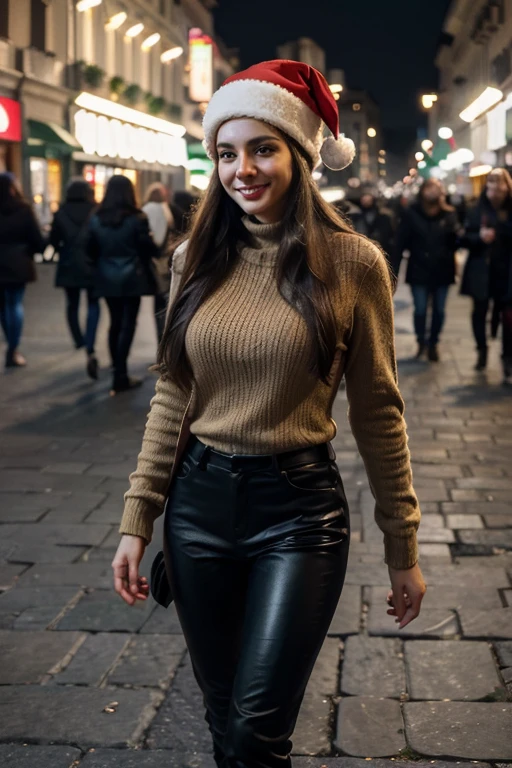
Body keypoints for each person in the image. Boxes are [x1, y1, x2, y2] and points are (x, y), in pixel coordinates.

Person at [112, 61, 426, 768]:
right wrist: (139, 519)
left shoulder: (353, 264)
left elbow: (378, 411)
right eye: (227, 152)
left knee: (257, 732)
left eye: (263, 148)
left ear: (300, 155)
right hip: (196, 510)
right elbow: (173, 392)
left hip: (298, 512)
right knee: (224, 723)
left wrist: (402, 544)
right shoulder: (194, 256)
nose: (242, 169)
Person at [86, 175, 158, 395]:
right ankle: (121, 375)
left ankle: (117, 370)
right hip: (132, 276)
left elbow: (90, 248)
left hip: (107, 276)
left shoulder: (96, 218)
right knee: (129, 323)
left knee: (115, 322)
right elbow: (147, 248)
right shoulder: (137, 218)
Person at [393, 178, 459, 362]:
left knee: (439, 310)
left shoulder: (449, 214)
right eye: (429, 187)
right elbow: (400, 244)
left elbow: (456, 243)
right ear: (422, 191)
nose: (432, 191)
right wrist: (394, 272)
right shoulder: (410, 213)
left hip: (443, 270)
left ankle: (433, 343)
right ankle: (421, 341)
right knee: (420, 309)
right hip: (419, 269)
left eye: (437, 188)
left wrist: (457, 234)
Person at [460, 168, 512, 381]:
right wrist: (478, 237)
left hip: (507, 271)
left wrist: (499, 230)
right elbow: (462, 239)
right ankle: (482, 349)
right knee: (479, 311)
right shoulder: (475, 209)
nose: (496, 188)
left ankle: (508, 357)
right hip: (481, 270)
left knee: (508, 316)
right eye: (492, 183)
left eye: (501, 184)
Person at [48, 178, 99, 379]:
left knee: (72, 304)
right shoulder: (95, 211)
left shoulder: (61, 212)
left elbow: (53, 240)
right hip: (91, 264)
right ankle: (90, 343)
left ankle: (78, 339)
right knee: (93, 304)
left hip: (68, 263)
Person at [0, 173, 44, 368]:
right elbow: (37, 241)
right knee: (14, 304)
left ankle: (11, 345)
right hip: (18, 262)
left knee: (3, 306)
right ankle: (13, 348)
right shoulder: (24, 210)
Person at [142, 182, 176, 344]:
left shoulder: (144, 211)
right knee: (165, 301)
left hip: (149, 263)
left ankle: (160, 340)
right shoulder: (167, 210)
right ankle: (165, 340)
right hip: (165, 262)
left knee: (157, 303)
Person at [350, 187, 395, 261]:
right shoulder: (356, 217)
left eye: (368, 197)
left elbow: (388, 237)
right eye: (364, 197)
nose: (365, 199)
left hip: (380, 253)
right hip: (362, 253)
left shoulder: (383, 217)